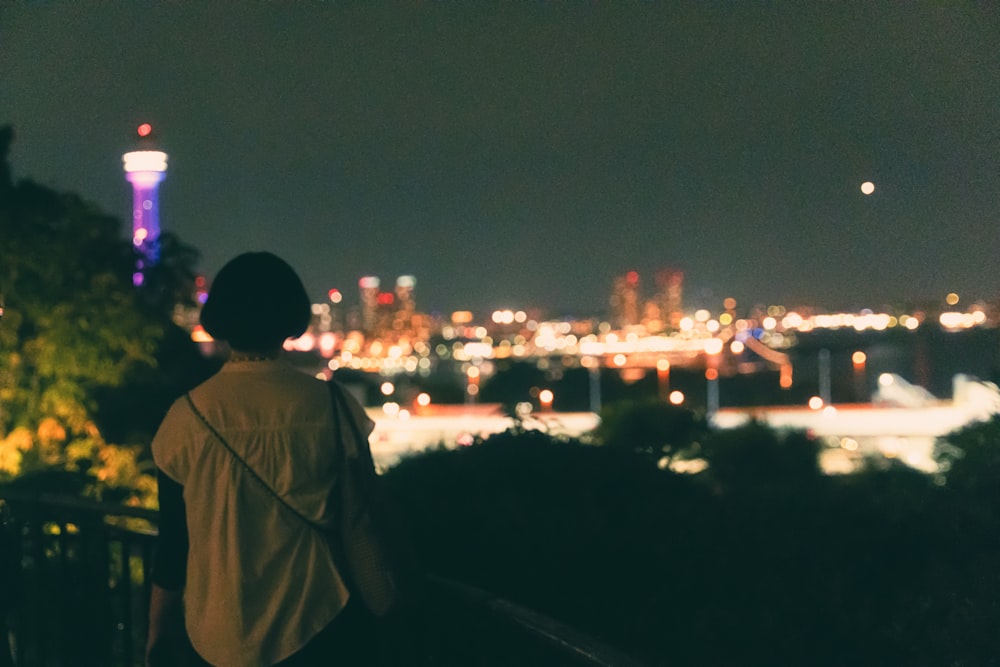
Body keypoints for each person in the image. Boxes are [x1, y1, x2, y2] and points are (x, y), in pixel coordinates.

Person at [146, 252, 384, 667]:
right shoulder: (334, 407)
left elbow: (172, 545)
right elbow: (366, 509)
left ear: (220, 319)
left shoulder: (186, 418)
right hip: (323, 626)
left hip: (215, 637)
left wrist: (158, 633)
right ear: (292, 317)